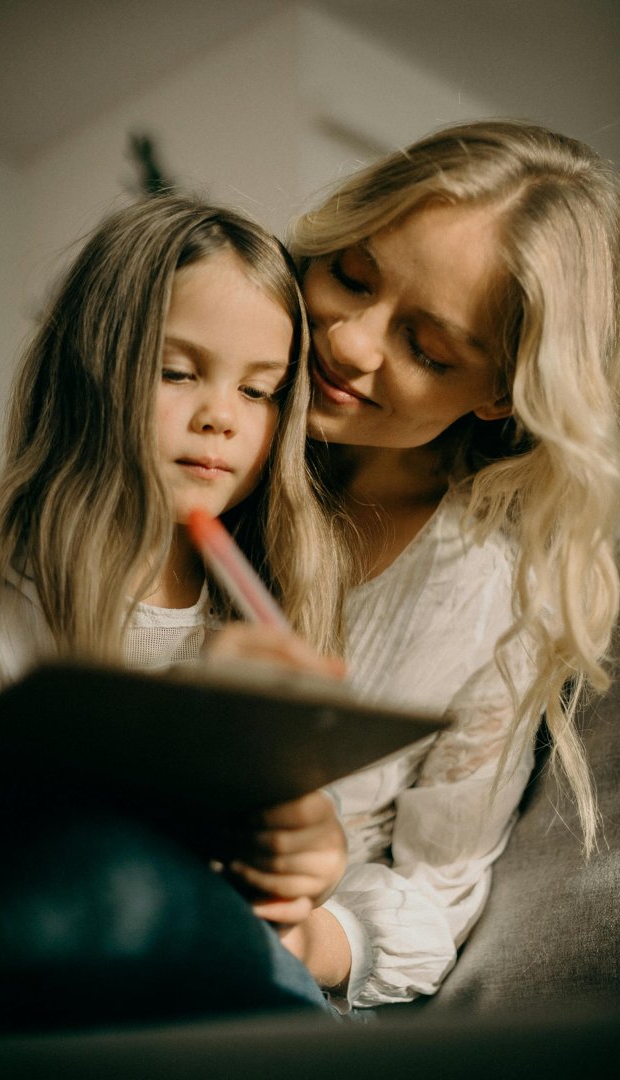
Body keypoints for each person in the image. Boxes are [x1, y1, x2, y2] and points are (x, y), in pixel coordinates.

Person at [0, 195, 350, 1044]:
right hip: (53, 903)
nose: (221, 414)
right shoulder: (25, 562)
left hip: (200, 928)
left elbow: (293, 832)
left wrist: (312, 847)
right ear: (96, 368)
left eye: (259, 391)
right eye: (179, 372)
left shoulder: (275, 584)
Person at [212, 119, 620, 1012]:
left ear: (501, 391)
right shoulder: (203, 431)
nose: (351, 343)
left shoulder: (492, 595)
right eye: (350, 277)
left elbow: (435, 893)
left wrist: (312, 932)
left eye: (426, 348)